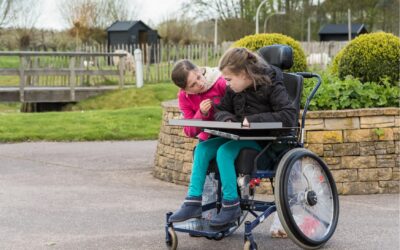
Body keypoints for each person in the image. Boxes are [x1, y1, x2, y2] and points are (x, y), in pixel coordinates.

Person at [169, 47, 297, 228]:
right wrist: (228, 119)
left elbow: (289, 115)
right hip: (240, 136)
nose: (226, 84)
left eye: (228, 79)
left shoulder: (272, 84)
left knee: (224, 151)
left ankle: (231, 204)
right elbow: (221, 109)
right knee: (203, 148)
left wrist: (252, 120)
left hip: (264, 141)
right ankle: (193, 202)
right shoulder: (234, 89)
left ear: (244, 74)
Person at [171, 59, 227, 141]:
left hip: (230, 133)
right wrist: (201, 113)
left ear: (198, 69)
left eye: (198, 77)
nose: (200, 84)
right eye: (193, 85)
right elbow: (189, 131)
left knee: (223, 152)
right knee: (201, 153)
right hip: (208, 135)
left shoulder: (221, 81)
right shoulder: (184, 97)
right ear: (185, 90)